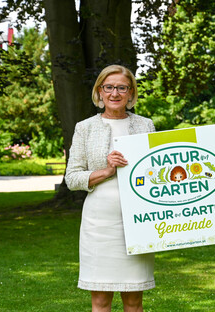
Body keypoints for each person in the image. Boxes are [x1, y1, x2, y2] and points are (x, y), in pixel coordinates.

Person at [65, 65, 156, 312]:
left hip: (138, 222)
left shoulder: (146, 125)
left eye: (121, 88)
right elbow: (72, 178)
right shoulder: (85, 127)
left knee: (134, 301)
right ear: (100, 92)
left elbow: (157, 171)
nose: (115, 93)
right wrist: (106, 171)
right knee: (101, 301)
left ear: (130, 93)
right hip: (99, 225)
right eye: (109, 87)